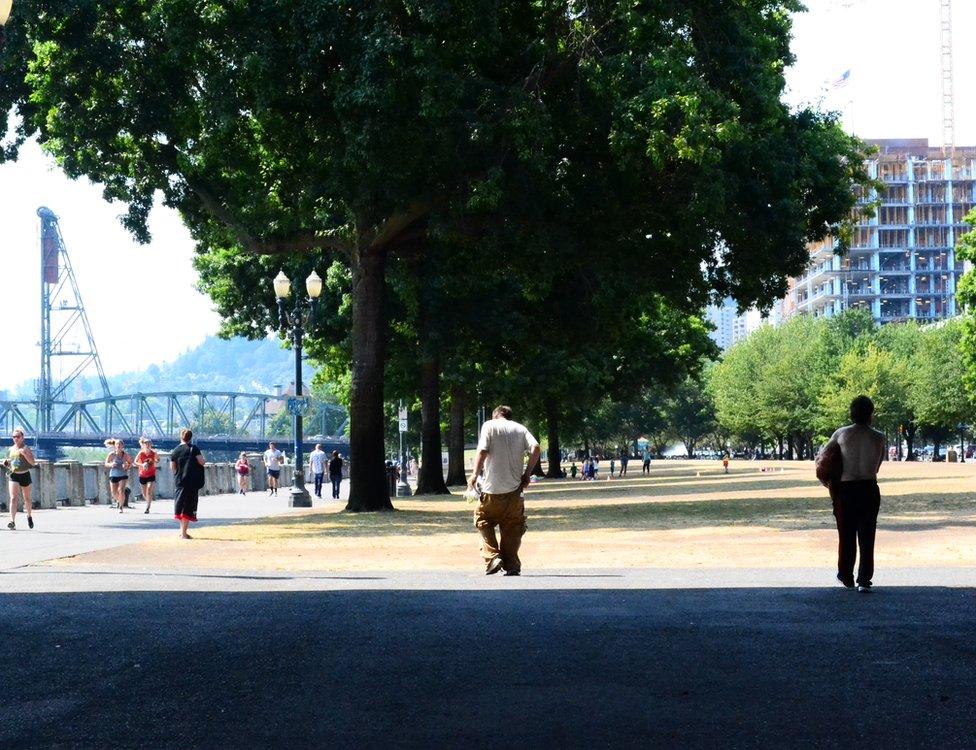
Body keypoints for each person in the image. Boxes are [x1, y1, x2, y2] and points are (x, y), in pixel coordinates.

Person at [818, 395, 886, 592]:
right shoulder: (879, 437)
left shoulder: (841, 434)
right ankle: (864, 579)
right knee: (867, 535)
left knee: (846, 534)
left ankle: (846, 575)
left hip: (846, 489)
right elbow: (877, 466)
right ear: (871, 413)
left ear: (852, 412)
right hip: (869, 487)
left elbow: (823, 459)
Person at [467, 405, 541, 576]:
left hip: (491, 490)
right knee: (513, 526)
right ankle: (512, 564)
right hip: (514, 491)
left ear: (495, 416)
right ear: (509, 416)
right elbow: (536, 448)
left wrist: (474, 475)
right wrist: (527, 473)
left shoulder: (488, 426)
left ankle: (493, 557)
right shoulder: (520, 429)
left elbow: (483, 450)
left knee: (482, 520)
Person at [170, 428, 205, 539]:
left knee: (180, 506)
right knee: (188, 507)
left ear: (181, 437)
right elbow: (201, 462)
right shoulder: (194, 449)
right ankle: (184, 533)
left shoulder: (175, 451)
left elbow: (173, 468)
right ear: (190, 437)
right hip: (191, 482)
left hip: (180, 482)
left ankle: (182, 531)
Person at [5, 428, 37, 530]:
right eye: (14, 437)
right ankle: (12, 521)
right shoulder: (10, 449)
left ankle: (29, 516)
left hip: (25, 474)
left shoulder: (26, 448)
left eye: (18, 437)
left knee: (27, 498)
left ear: (22, 438)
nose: (16, 439)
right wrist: (6, 463)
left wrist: (25, 454)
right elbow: (10, 462)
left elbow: (33, 463)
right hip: (13, 475)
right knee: (13, 498)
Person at [104, 439, 133, 514]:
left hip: (123, 474)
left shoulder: (125, 455)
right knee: (114, 493)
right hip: (114, 474)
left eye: (120, 444)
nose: (119, 446)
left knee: (121, 490)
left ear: (122, 446)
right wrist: (111, 464)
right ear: (115, 445)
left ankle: (121, 507)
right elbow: (106, 463)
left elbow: (130, 463)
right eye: (117, 444)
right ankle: (119, 500)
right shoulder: (112, 454)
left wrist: (126, 466)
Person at [135, 437, 159, 514]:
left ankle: (148, 507)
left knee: (149, 489)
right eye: (146, 443)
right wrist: (142, 464)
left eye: (149, 443)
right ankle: (148, 501)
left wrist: (155, 460)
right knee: (144, 492)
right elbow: (135, 462)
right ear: (144, 444)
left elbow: (158, 460)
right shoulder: (141, 453)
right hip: (142, 474)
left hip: (151, 474)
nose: (148, 445)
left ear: (151, 444)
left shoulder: (153, 453)